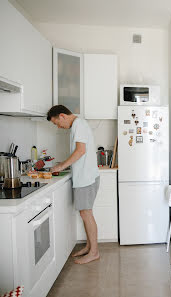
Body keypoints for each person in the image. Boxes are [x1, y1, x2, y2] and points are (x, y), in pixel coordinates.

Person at [47, 105, 100, 264]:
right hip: (84, 177)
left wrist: (61, 166)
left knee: (86, 214)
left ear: (62, 115)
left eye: (57, 123)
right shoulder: (78, 126)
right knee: (85, 214)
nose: (58, 126)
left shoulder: (79, 124)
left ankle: (94, 252)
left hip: (86, 178)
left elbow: (80, 151)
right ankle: (90, 247)